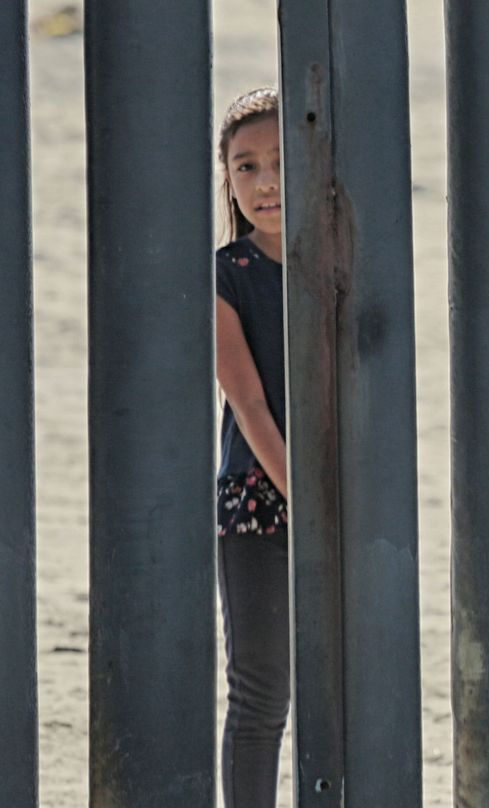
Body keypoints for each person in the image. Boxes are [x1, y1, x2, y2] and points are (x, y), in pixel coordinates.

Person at [211, 86, 293, 807]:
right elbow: (249, 400)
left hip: (343, 493)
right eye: (246, 167)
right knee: (262, 692)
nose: (265, 183)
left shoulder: (343, 263)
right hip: (258, 501)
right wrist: (307, 492)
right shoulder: (224, 275)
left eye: (279, 162)